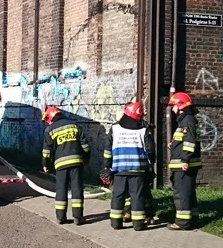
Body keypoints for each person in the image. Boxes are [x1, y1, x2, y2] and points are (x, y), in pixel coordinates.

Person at [103, 101, 156, 231]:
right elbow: (150, 150)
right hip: (137, 169)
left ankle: (116, 223)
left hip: (119, 169)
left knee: (118, 195)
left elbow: (108, 149)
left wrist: (107, 165)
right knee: (137, 196)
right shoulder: (143, 130)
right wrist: (150, 164)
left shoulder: (115, 128)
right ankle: (138, 224)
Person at [41, 106, 90, 225]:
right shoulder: (74, 125)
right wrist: (86, 158)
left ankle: (61, 217)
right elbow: (85, 146)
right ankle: (78, 217)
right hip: (76, 162)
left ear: (51, 117)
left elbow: (47, 151)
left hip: (60, 164)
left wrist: (45, 164)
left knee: (61, 189)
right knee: (77, 189)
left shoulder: (50, 129)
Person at [167, 92, 201, 230]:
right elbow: (185, 140)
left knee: (182, 193)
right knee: (188, 192)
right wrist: (174, 144)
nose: (172, 109)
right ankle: (193, 219)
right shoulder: (186, 120)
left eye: (174, 105)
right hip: (186, 162)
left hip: (184, 164)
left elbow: (189, 142)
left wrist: (185, 159)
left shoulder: (187, 121)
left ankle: (182, 222)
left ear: (180, 106)